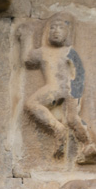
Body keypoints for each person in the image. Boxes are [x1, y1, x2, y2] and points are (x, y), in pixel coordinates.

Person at [19, 13, 96, 164]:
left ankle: (89, 146)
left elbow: (78, 72)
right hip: (55, 87)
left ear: (68, 33)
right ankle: (59, 129)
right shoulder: (43, 51)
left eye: (61, 27)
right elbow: (28, 59)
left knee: (72, 119)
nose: (56, 30)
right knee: (32, 104)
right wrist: (26, 36)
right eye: (52, 27)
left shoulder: (69, 51)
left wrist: (76, 95)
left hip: (68, 88)